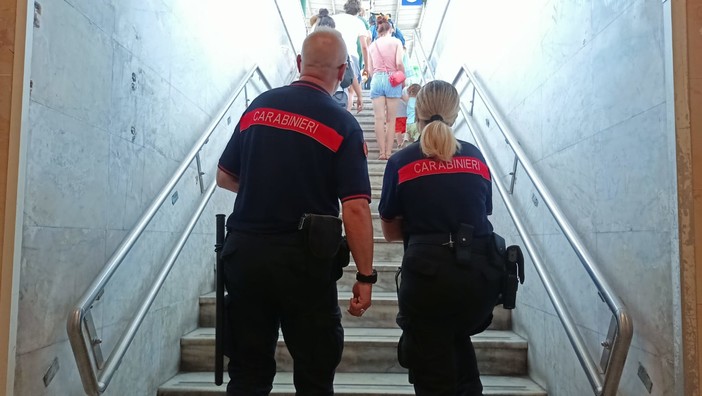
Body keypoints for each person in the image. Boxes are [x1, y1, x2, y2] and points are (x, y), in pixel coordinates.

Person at [216, 28, 376, 396]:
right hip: (304, 262)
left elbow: (225, 176)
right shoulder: (343, 124)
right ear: (342, 72)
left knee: (247, 372)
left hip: (245, 255)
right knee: (315, 372)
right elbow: (354, 208)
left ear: (300, 63)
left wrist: (265, 187)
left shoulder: (259, 106)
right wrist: (365, 277)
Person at [378, 80, 502, 395]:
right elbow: (483, 212)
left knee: (433, 374)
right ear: (455, 113)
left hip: (427, 282)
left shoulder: (401, 162)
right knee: (458, 344)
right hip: (479, 281)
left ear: (416, 112)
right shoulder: (476, 157)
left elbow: (390, 231)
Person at [367, 14, 404, 160]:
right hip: (393, 78)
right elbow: (399, 63)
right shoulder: (396, 42)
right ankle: (388, 153)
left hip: (376, 79)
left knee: (378, 118)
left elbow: (369, 70)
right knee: (391, 119)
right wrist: (403, 79)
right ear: (391, 29)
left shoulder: (372, 46)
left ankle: (381, 152)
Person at [313, 9, 363, 112]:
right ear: (334, 29)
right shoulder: (339, 46)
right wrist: (359, 96)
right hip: (337, 94)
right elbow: (350, 74)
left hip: (314, 94)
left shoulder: (310, 46)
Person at [333, 0, 371, 103]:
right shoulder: (358, 22)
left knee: (333, 84)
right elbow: (364, 46)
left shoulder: (334, 18)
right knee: (350, 89)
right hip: (351, 56)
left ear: (346, 8)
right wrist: (367, 67)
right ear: (358, 11)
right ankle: (346, 113)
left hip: (333, 54)